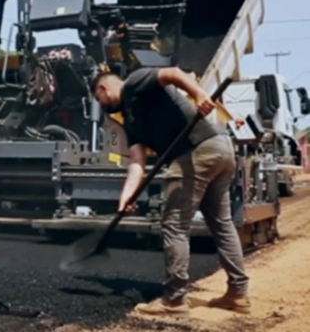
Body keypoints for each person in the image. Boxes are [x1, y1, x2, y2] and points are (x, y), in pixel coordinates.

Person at [92, 67, 250, 317]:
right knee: (222, 224)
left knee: (175, 226)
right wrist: (127, 196)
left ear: (103, 89)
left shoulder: (134, 82)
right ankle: (238, 293)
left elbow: (172, 73)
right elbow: (136, 163)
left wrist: (199, 95)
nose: (101, 105)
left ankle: (174, 301)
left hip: (195, 152)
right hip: (218, 150)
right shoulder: (130, 119)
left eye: (98, 99)